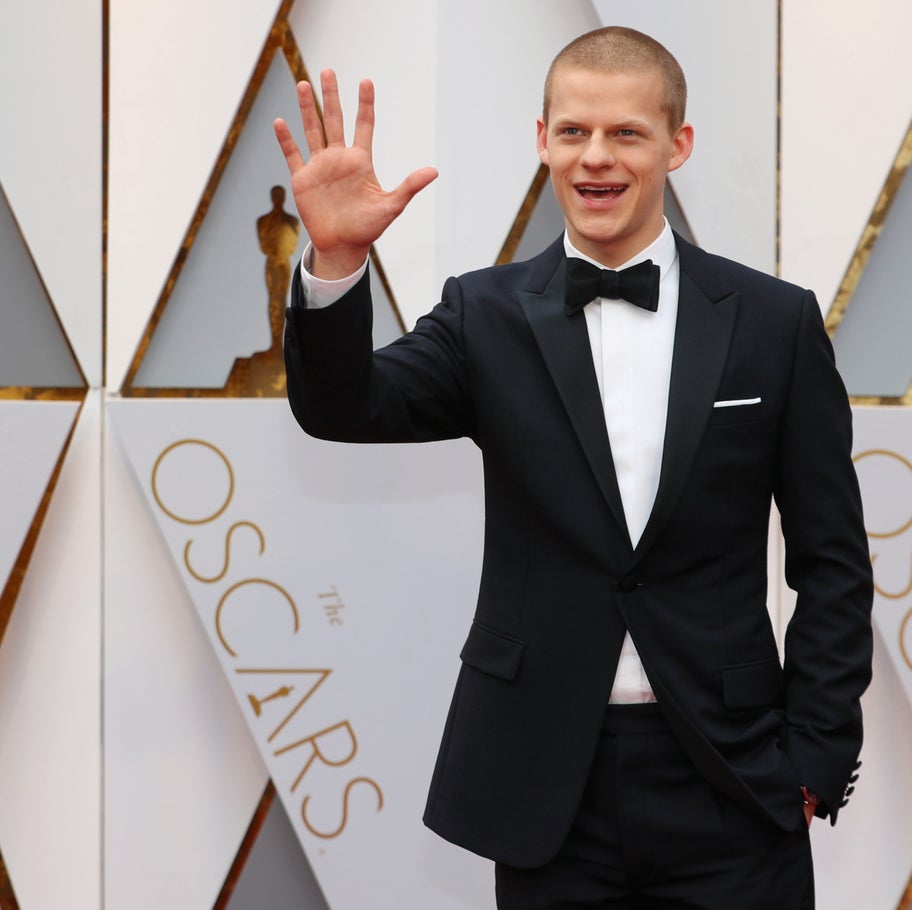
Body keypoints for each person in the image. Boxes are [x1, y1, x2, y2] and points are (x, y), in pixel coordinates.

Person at [276, 26, 873, 909]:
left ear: (679, 145)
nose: (596, 158)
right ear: (543, 140)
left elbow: (833, 562)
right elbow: (342, 409)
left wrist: (815, 758)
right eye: (573, 133)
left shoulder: (774, 322)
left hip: (735, 777)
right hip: (546, 780)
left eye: (626, 133)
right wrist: (337, 261)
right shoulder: (484, 315)